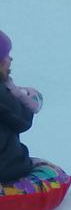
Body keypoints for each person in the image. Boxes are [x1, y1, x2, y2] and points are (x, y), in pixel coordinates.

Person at [0, 30, 42, 184]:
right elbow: (23, 121)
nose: (10, 58)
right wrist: (14, 93)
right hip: (6, 168)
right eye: (6, 55)